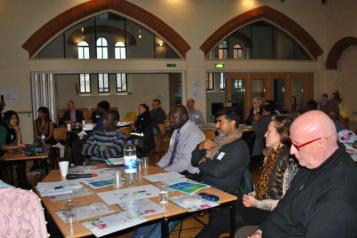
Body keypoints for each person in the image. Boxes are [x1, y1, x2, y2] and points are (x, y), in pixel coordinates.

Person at [247, 110, 357, 238]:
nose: (292, 151)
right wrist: (261, 230)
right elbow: (283, 205)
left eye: (298, 145)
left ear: (322, 143)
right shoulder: (311, 163)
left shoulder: (337, 198)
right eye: (291, 142)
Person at [197, 116, 298, 238]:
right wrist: (253, 195)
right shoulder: (272, 155)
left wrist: (255, 202)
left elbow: (285, 204)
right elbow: (264, 188)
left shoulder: (289, 162)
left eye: (269, 131)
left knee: (219, 221)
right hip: (261, 204)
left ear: (281, 135)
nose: (265, 135)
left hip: (272, 213)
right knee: (218, 213)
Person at [191, 107, 250, 194]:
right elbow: (194, 162)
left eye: (220, 122)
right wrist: (199, 147)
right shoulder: (216, 141)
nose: (216, 126)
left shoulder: (239, 147)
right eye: (217, 122)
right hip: (202, 184)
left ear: (232, 123)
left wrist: (202, 164)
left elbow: (217, 172)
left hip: (221, 191)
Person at [157, 105, 205, 176]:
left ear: (184, 117)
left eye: (174, 117)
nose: (170, 120)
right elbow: (170, 153)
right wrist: (158, 166)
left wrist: (164, 172)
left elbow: (185, 164)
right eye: (170, 117)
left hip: (188, 174)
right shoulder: (176, 130)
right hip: (175, 169)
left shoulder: (194, 134)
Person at [0, 110, 32, 189]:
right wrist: (15, 147)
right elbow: (2, 146)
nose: (15, 120)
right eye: (12, 118)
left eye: (16, 118)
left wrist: (18, 131)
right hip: (1, 155)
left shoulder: (12, 129)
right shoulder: (2, 128)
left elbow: (18, 144)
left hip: (8, 153)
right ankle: (22, 182)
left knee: (22, 160)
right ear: (6, 120)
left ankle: (22, 182)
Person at [73, 101, 109, 166]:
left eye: (98, 108)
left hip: (97, 140)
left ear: (101, 109)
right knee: (79, 138)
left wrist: (86, 137)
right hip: (95, 137)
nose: (96, 109)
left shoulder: (103, 119)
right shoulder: (103, 117)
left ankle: (78, 165)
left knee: (77, 143)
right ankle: (85, 159)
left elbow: (97, 133)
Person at [250, 104, 277, 170]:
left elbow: (259, 131)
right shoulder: (266, 117)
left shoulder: (270, 119)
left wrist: (256, 121)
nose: (263, 113)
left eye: (264, 111)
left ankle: (255, 163)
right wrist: (259, 119)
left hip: (262, 140)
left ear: (269, 112)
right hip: (260, 138)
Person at [31, 107, 55, 171]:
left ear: (44, 114)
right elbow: (36, 134)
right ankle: (35, 163)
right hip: (40, 139)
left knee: (44, 147)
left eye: (40, 112)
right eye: (38, 112)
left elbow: (50, 135)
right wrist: (36, 141)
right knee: (34, 147)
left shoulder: (50, 122)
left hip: (48, 139)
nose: (39, 113)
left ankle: (43, 162)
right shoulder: (36, 122)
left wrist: (43, 141)